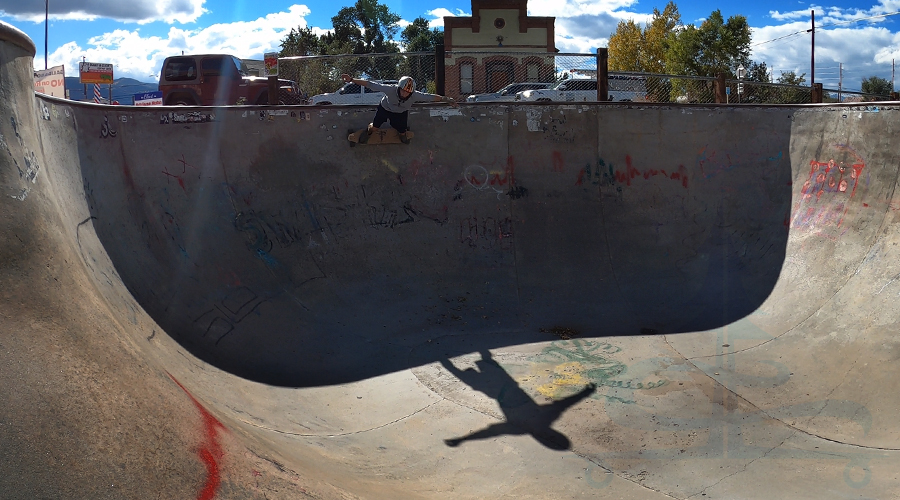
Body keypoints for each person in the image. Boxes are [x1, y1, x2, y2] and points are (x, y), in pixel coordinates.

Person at [340, 73, 458, 143]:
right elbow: (370, 84)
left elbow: (431, 97)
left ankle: (402, 135)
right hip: (385, 108)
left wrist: (447, 99)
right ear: (398, 88)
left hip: (400, 113)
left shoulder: (415, 95)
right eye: (403, 90)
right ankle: (369, 131)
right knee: (375, 127)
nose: (405, 94)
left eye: (408, 93)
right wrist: (351, 80)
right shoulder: (390, 89)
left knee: (402, 130)